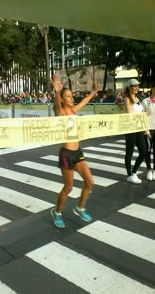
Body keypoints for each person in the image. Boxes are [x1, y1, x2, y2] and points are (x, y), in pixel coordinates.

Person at [51, 71, 100, 228]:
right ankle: (57, 212)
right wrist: (57, 91)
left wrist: (93, 92)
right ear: (62, 100)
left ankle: (80, 207)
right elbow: (56, 104)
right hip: (66, 154)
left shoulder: (73, 110)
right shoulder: (61, 112)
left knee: (90, 182)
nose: (72, 99)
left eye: (72, 96)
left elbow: (84, 101)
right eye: (68, 97)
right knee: (69, 187)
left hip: (77, 152)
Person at [124, 79, 147, 184]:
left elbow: (141, 112)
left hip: (139, 129)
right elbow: (129, 114)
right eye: (134, 86)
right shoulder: (127, 99)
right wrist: (141, 115)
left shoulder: (138, 99)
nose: (137, 88)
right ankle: (129, 175)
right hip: (130, 129)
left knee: (143, 151)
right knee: (129, 152)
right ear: (129, 87)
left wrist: (144, 113)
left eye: (137, 86)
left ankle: (133, 172)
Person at [141, 83, 155, 181]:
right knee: (148, 151)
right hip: (149, 129)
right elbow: (142, 117)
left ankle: (154, 170)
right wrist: (146, 130)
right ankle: (149, 170)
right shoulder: (145, 101)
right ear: (152, 89)